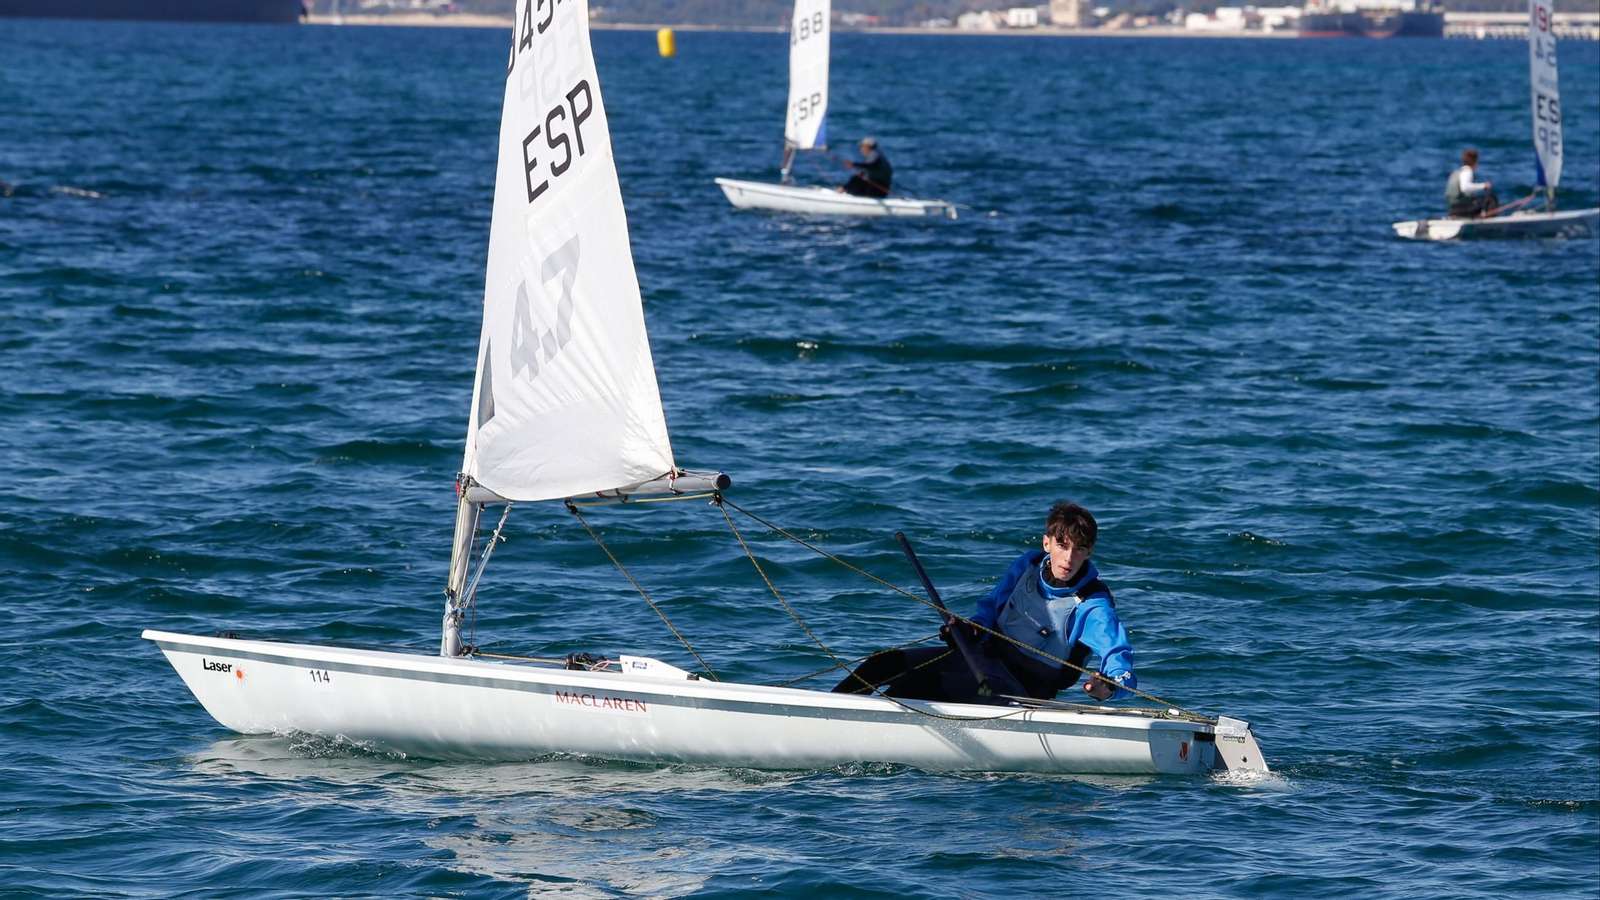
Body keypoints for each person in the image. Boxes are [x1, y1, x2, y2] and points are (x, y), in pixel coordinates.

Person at [832, 502, 1138, 705]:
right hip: (980, 662)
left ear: (1090, 551)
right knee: (882, 664)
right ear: (1047, 543)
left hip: (1018, 692)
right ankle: (820, 718)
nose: (1069, 558)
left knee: (915, 685)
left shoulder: (1091, 604)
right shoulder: (1027, 567)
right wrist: (971, 630)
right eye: (1062, 545)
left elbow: (1118, 656)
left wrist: (1108, 688)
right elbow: (991, 611)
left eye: (1079, 549)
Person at [1446, 149, 1498, 218]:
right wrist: (1484, 186)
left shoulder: (1457, 172)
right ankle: (1487, 220)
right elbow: (1464, 188)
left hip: (1452, 207)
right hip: (1460, 207)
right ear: (1475, 161)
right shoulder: (1467, 172)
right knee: (1490, 199)